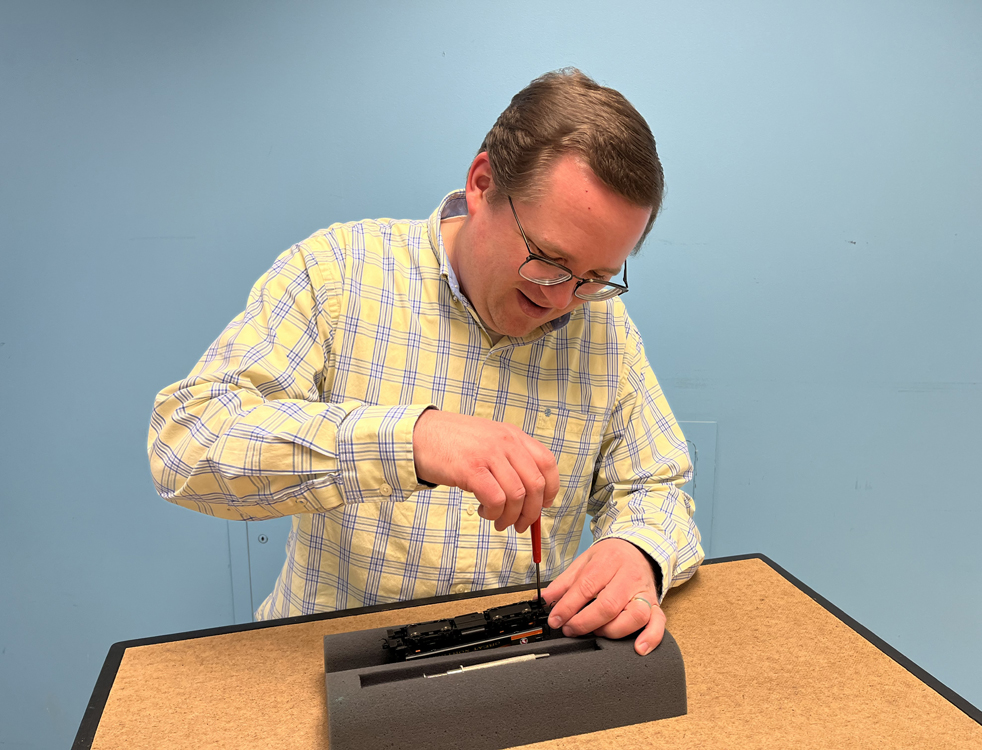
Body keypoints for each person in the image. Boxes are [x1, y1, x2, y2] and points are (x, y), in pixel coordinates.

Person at [148, 68, 703, 656]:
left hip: (519, 674)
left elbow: (656, 484)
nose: (562, 299)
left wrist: (639, 551)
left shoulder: (605, 330)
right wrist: (411, 439)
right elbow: (187, 443)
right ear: (483, 182)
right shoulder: (336, 273)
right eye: (548, 259)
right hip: (333, 671)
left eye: (593, 278)